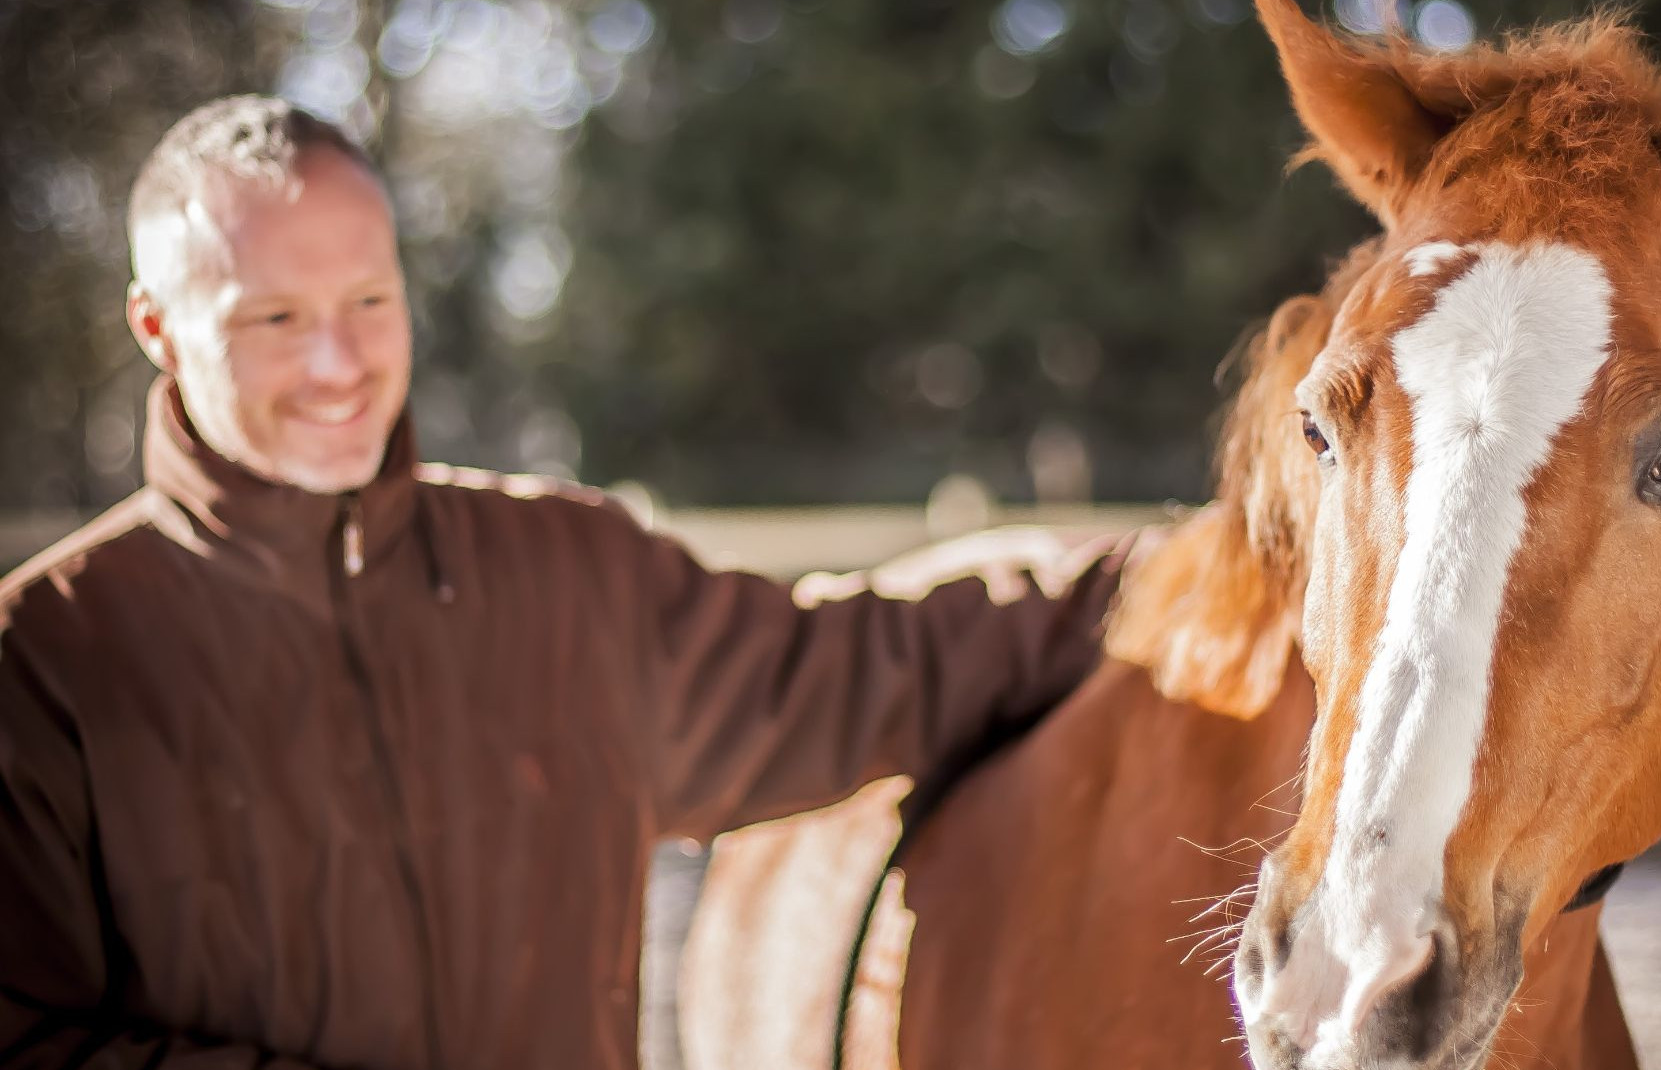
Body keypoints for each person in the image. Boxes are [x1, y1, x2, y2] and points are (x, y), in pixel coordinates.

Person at [0, 96, 1133, 1069]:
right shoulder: (46, 660)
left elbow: (869, 667)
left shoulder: (567, 573)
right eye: (275, 321)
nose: (339, 366)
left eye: (369, 303)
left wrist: (1182, 573)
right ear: (156, 325)